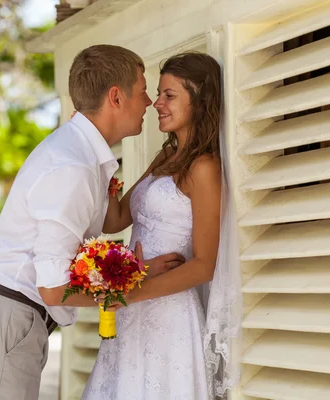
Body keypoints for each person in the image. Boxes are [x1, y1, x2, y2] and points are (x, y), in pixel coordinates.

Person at [0, 44, 185, 400]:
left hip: (1, 316)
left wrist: (166, 160)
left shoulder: (80, 152)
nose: (149, 102)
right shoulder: (73, 167)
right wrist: (134, 284)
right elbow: (54, 289)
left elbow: (114, 217)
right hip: (4, 317)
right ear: (115, 97)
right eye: (143, 90)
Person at [82, 52, 242, 400]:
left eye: (169, 95)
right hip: (130, 309)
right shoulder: (166, 156)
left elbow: (204, 264)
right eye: (157, 93)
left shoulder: (204, 168)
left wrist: (129, 294)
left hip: (168, 315)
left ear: (199, 101)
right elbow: (116, 220)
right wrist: (102, 166)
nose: (156, 103)